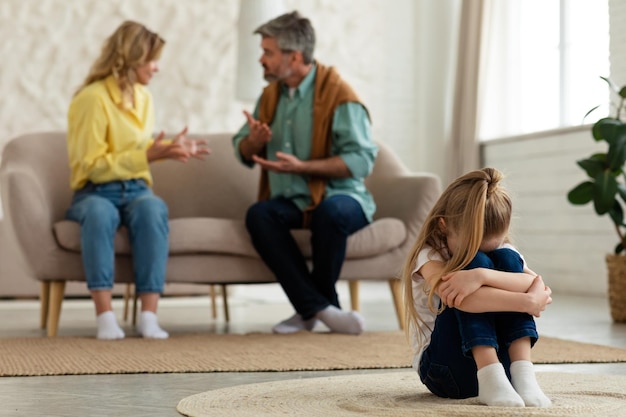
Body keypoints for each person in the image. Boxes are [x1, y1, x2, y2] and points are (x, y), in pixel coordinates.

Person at [232, 11, 378, 335]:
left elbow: (362, 160)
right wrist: (251, 143)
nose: (261, 59)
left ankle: (309, 310)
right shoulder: (271, 96)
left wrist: (303, 167)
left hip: (343, 196)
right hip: (295, 200)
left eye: (268, 52)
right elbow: (242, 147)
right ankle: (323, 308)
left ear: (293, 56)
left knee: (332, 212)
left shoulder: (340, 94)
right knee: (260, 215)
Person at [65, 20, 209, 340]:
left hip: (136, 188)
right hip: (95, 191)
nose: (156, 68)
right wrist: (150, 155)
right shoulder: (92, 99)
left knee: (152, 209)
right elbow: (93, 167)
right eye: (151, 59)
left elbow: (138, 150)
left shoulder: (143, 98)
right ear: (130, 59)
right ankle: (105, 317)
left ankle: (148, 317)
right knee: (100, 214)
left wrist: (168, 150)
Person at [401, 167, 553, 407]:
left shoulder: (500, 250)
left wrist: (482, 276)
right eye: (473, 245)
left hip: (506, 370)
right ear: (443, 226)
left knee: (505, 258)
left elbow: (536, 284)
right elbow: (462, 299)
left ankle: (524, 376)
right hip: (446, 371)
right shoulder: (429, 255)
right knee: (472, 263)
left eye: (494, 244)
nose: (487, 253)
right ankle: (489, 373)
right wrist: (525, 301)